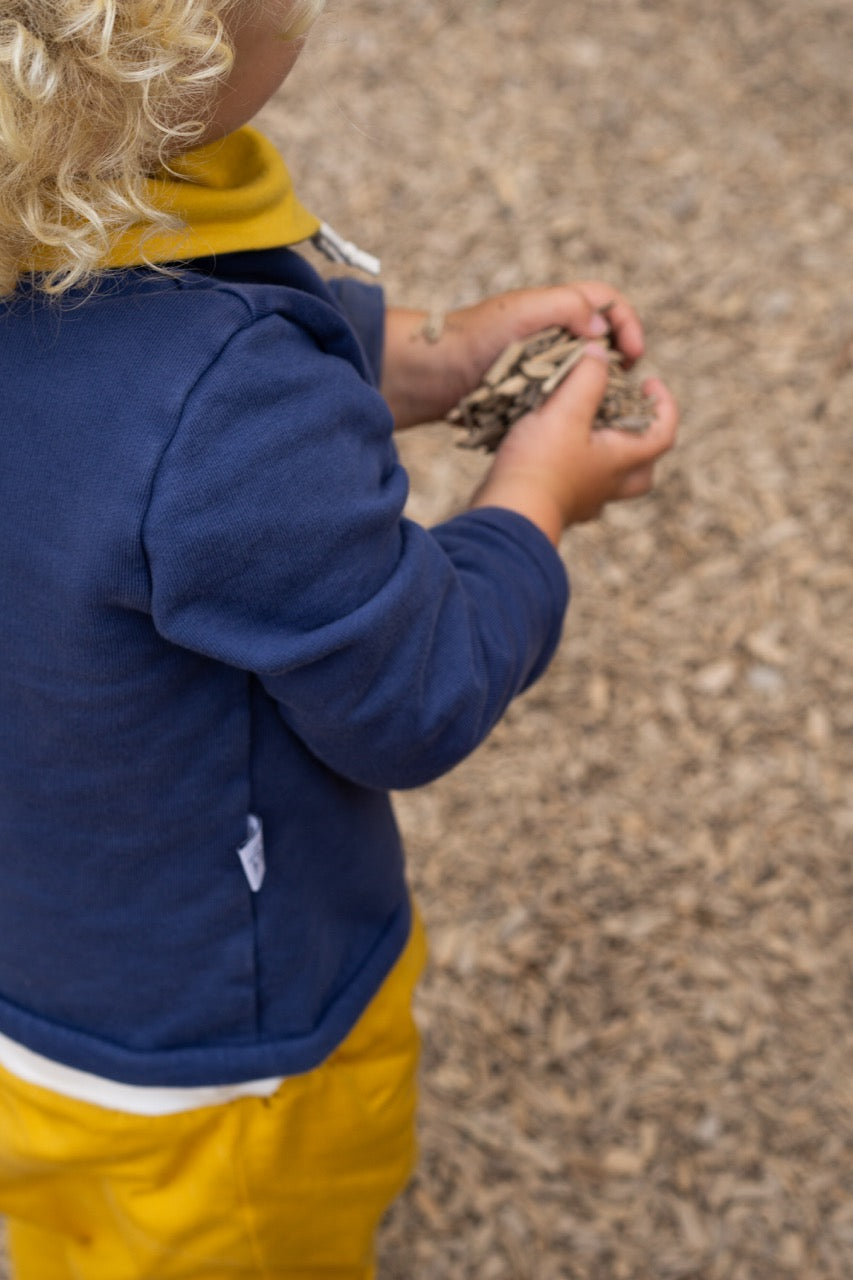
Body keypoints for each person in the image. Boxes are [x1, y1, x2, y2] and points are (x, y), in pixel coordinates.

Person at [0, 2, 678, 1277]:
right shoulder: (219, 403)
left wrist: (417, 355)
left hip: (34, 956)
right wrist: (533, 501)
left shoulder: (57, 199)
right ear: (166, 59)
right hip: (216, 1057)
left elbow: (116, 429)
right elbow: (415, 689)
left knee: (66, 1229)